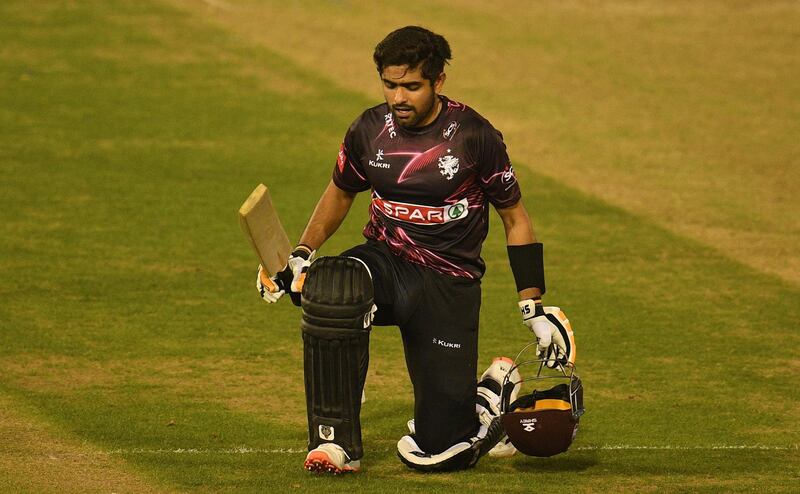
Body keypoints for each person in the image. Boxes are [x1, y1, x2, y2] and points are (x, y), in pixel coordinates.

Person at [256, 26, 568, 473]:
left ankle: (488, 398)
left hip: (447, 285)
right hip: (385, 262)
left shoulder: (475, 137)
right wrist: (301, 253)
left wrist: (532, 305)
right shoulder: (369, 130)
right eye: (390, 84)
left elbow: (515, 217)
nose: (399, 97)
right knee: (330, 287)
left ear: (438, 81)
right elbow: (341, 191)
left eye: (411, 86)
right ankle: (336, 442)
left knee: (442, 452)